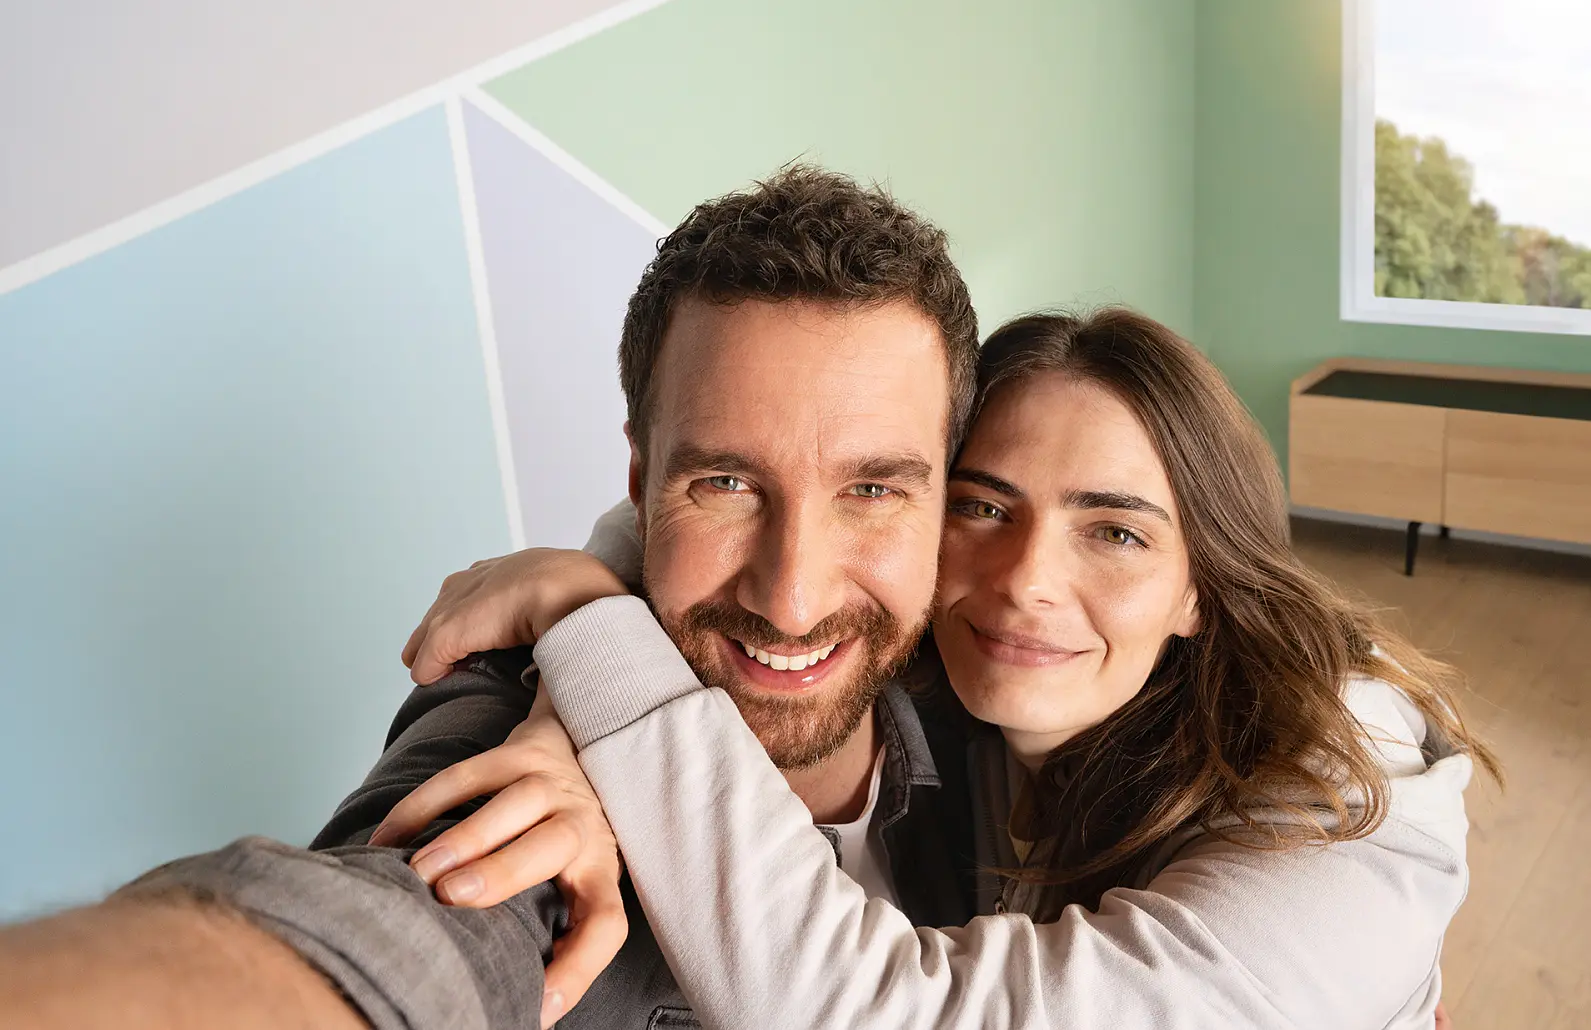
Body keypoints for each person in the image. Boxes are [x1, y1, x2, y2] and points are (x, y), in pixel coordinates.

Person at [0, 166, 987, 1029]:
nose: (791, 595)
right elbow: (387, 938)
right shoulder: (509, 721)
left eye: (871, 489)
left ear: (949, 499)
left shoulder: (1007, 721)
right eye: (725, 484)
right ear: (640, 486)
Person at [387, 308, 1500, 1029]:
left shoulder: (1352, 822)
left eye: (1112, 532)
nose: (1022, 582)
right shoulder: (956, 682)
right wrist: (561, 714)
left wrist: (592, 628)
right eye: (980, 506)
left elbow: (872, 1015)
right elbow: (748, 524)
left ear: (1202, 586)